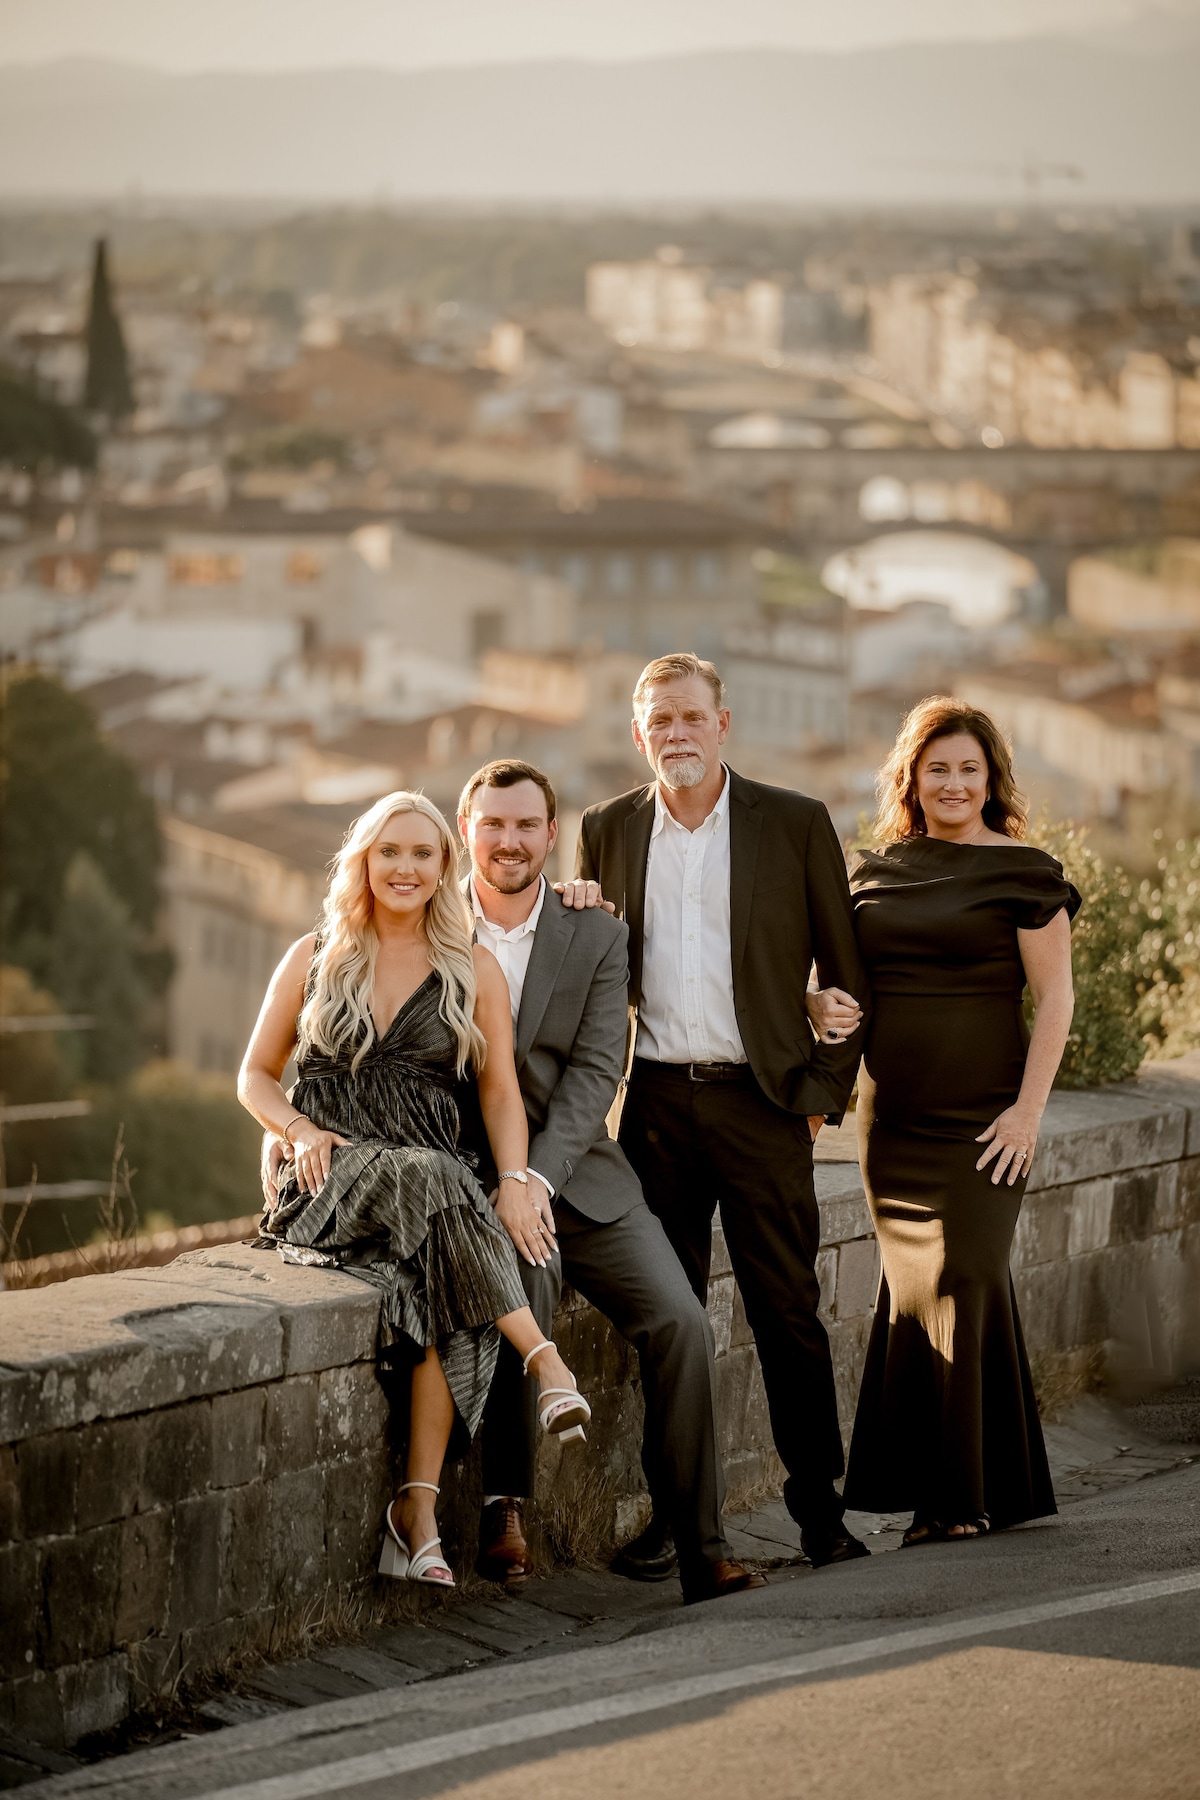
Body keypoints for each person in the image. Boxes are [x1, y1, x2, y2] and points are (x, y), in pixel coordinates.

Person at [564, 652, 873, 1571]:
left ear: (723, 725)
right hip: (656, 1106)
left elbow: (849, 974)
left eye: (692, 716)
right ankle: (676, 1521)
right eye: (660, 720)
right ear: (638, 734)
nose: (677, 734)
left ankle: (819, 1513)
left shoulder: (795, 821)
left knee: (788, 1312)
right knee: (671, 1318)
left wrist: (818, 1097)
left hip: (762, 1103)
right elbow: (591, 971)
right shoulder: (606, 829)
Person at [239, 790, 590, 1591]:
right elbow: (253, 1074)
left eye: (422, 854)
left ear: (444, 866)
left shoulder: (473, 967)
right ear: (362, 861)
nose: (404, 867)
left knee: (436, 1289)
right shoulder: (315, 955)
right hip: (326, 1177)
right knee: (441, 1181)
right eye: (388, 852)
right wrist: (297, 1129)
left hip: (425, 1195)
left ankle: (417, 1516)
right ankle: (546, 1363)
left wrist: (513, 1181)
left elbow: (499, 1093)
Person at [458, 759, 764, 1606]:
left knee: (682, 1321)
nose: (511, 840)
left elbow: (597, 1072)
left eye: (527, 825)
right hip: (473, 1182)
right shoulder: (431, 930)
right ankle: (504, 1505)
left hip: (581, 1177)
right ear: (466, 831)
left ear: (552, 835)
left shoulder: (594, 933)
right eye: (494, 824)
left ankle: (701, 1544)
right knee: (524, 1279)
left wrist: (535, 1177)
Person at [810, 697, 1078, 1543]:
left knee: (966, 1276)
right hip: (894, 1128)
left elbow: (1057, 1000)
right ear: (912, 779)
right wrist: (815, 1007)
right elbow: (839, 985)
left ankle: (959, 1495)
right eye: (938, 769)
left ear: (991, 779)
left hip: (987, 1124)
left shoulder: (1027, 872)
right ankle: (960, 1491)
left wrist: (1027, 1114)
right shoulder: (876, 873)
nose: (954, 783)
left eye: (969, 769)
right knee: (918, 1297)